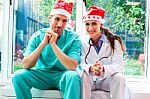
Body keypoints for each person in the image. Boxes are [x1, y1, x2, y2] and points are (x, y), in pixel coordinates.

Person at [12, 1, 81, 99]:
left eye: (64, 21)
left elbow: (73, 66)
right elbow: (26, 65)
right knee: (18, 76)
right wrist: (43, 43)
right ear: (50, 19)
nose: (60, 24)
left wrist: (53, 44)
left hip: (63, 75)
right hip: (42, 75)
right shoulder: (37, 36)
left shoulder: (74, 38)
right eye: (57, 19)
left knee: (73, 76)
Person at [80, 6, 130, 99]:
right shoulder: (82, 42)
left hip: (107, 80)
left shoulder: (114, 42)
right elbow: (81, 63)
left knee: (119, 77)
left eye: (94, 23)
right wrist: (91, 68)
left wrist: (103, 69)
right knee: (84, 74)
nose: (90, 28)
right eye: (87, 24)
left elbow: (119, 66)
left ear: (101, 25)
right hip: (91, 79)